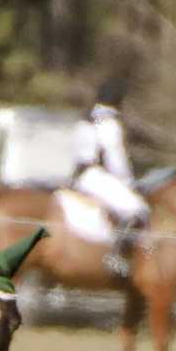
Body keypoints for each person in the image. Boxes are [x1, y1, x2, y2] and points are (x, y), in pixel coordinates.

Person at [72, 79, 149, 276]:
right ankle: (117, 257)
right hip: (96, 176)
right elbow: (117, 162)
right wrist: (130, 185)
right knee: (136, 210)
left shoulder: (86, 118)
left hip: (80, 176)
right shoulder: (110, 124)